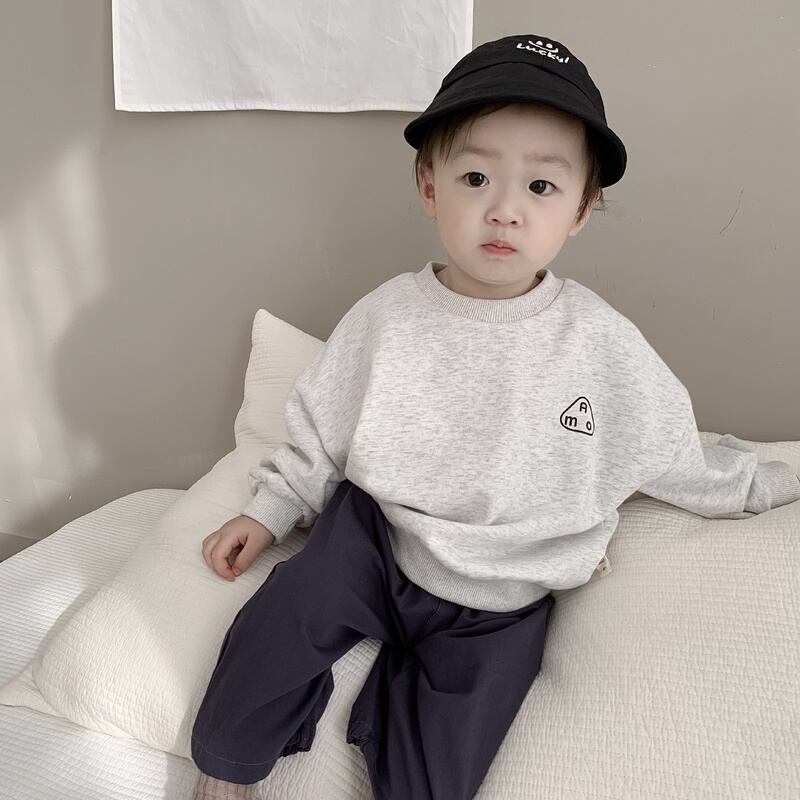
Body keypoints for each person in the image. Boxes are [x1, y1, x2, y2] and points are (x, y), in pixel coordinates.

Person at [189, 34, 800, 800]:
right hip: (375, 537)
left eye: (541, 187)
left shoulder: (599, 342)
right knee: (277, 626)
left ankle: (394, 711)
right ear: (430, 186)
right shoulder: (388, 317)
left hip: (502, 595)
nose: (505, 210)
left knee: (436, 775)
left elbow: (672, 449)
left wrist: (761, 483)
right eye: (475, 177)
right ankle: (227, 772)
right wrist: (271, 509)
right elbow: (321, 427)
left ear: (581, 209)